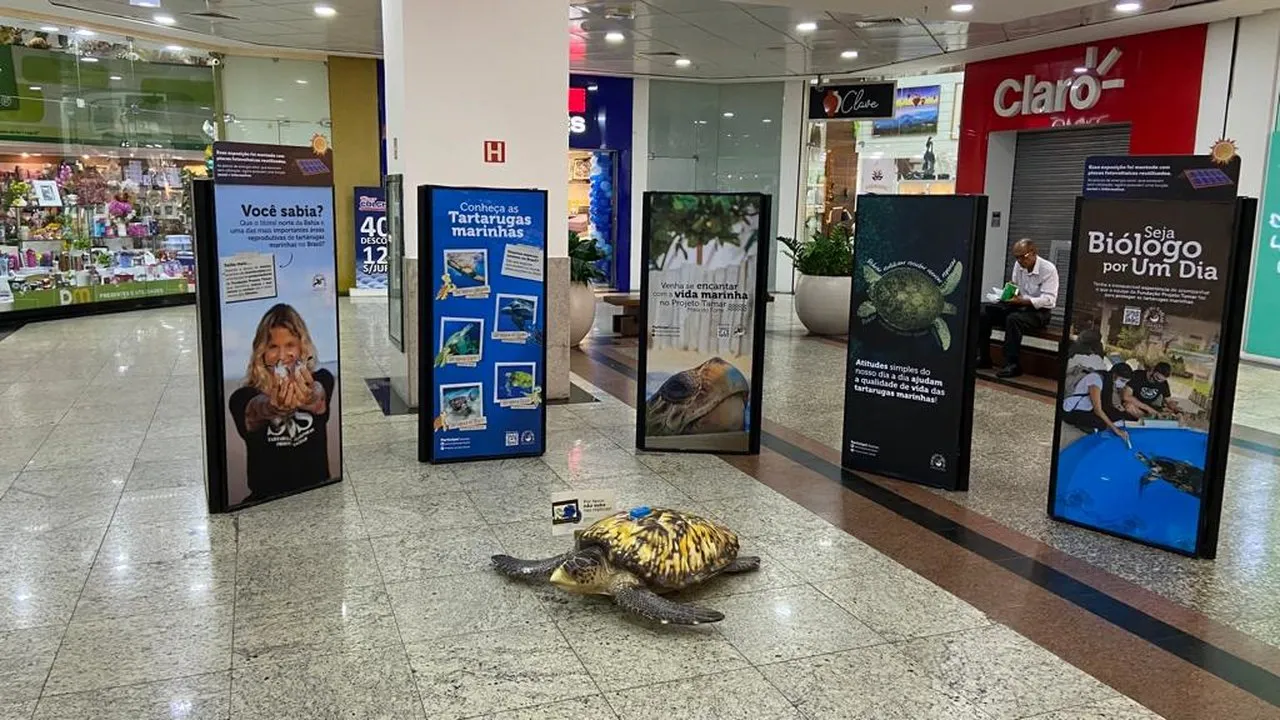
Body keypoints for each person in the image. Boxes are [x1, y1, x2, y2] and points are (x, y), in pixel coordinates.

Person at [229, 303, 335, 503]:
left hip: (318, 496)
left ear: (302, 347)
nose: (281, 356)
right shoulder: (242, 397)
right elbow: (254, 411)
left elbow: (318, 399)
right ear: (261, 351)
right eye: (273, 347)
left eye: (290, 345)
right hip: (266, 503)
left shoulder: (323, 378)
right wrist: (273, 406)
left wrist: (307, 395)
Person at [977, 238, 1060, 378]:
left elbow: (1049, 300)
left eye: (1023, 257)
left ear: (1033, 253)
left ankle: (1012, 364)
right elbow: (1016, 286)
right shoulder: (1019, 265)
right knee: (983, 311)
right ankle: (983, 356)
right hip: (1018, 305)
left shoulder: (1048, 269)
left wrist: (1023, 301)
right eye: (1017, 257)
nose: (1020, 261)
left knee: (1013, 319)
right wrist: (1008, 292)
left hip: (1039, 312)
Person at [1062, 363, 1132, 444]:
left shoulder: (1108, 379)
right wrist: (1116, 430)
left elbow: (1107, 403)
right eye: (1122, 381)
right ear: (1115, 375)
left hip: (1087, 408)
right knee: (1101, 423)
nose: (1123, 384)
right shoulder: (1096, 379)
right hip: (1071, 411)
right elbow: (1098, 410)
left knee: (1116, 415)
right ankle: (1085, 426)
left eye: (1126, 382)